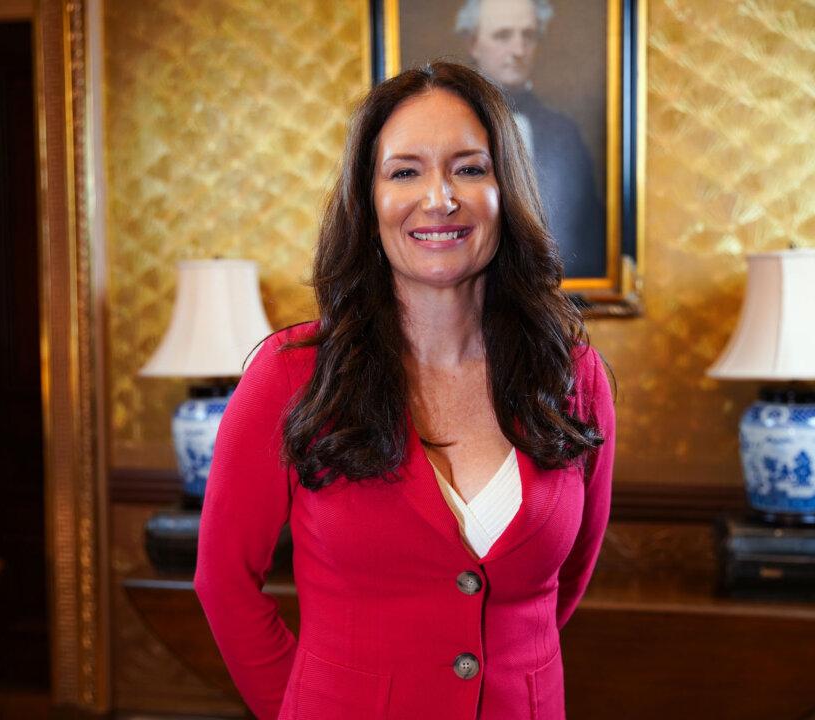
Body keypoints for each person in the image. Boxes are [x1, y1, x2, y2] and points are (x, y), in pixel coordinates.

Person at [194, 62, 614, 720]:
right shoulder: (289, 375)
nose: (439, 198)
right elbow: (223, 584)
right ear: (368, 203)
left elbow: (571, 574)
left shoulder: (575, 376)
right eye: (405, 172)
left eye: (469, 168)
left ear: (506, 191)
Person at [456, 0, 606, 278]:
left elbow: (586, 237)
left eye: (528, 36)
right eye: (503, 35)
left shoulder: (565, 134)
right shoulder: (450, 130)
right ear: (473, 43)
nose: (518, 50)